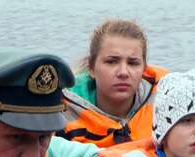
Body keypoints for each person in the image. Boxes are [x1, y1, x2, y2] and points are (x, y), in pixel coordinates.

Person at [61, 18, 164, 146]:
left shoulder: (165, 103)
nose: (123, 72)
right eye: (111, 62)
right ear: (91, 68)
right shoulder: (61, 114)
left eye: (133, 63)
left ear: (144, 69)